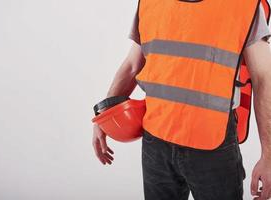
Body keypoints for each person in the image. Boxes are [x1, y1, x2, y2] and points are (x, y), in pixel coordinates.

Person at [92, 1, 271, 199]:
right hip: (156, 140)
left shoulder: (244, 5)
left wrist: (268, 157)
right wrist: (104, 116)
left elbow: (264, 78)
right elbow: (132, 65)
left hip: (213, 144)